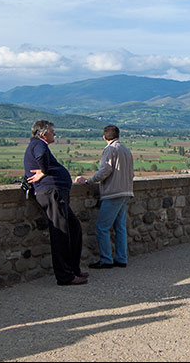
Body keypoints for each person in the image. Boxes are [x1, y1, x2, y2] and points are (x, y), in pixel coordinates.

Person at [24, 120, 87, 286]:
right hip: (52, 193)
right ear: (44, 134)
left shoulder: (37, 144)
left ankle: (73, 269)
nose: (55, 134)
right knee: (60, 233)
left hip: (54, 193)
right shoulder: (39, 144)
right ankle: (65, 276)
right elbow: (41, 155)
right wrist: (44, 172)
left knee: (73, 227)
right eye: (52, 131)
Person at [75, 125, 134, 269]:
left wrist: (88, 180)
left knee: (102, 227)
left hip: (113, 193)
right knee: (120, 227)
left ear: (104, 137)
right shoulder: (126, 150)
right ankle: (121, 258)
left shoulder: (110, 150)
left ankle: (106, 259)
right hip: (126, 192)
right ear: (118, 135)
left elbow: (105, 170)